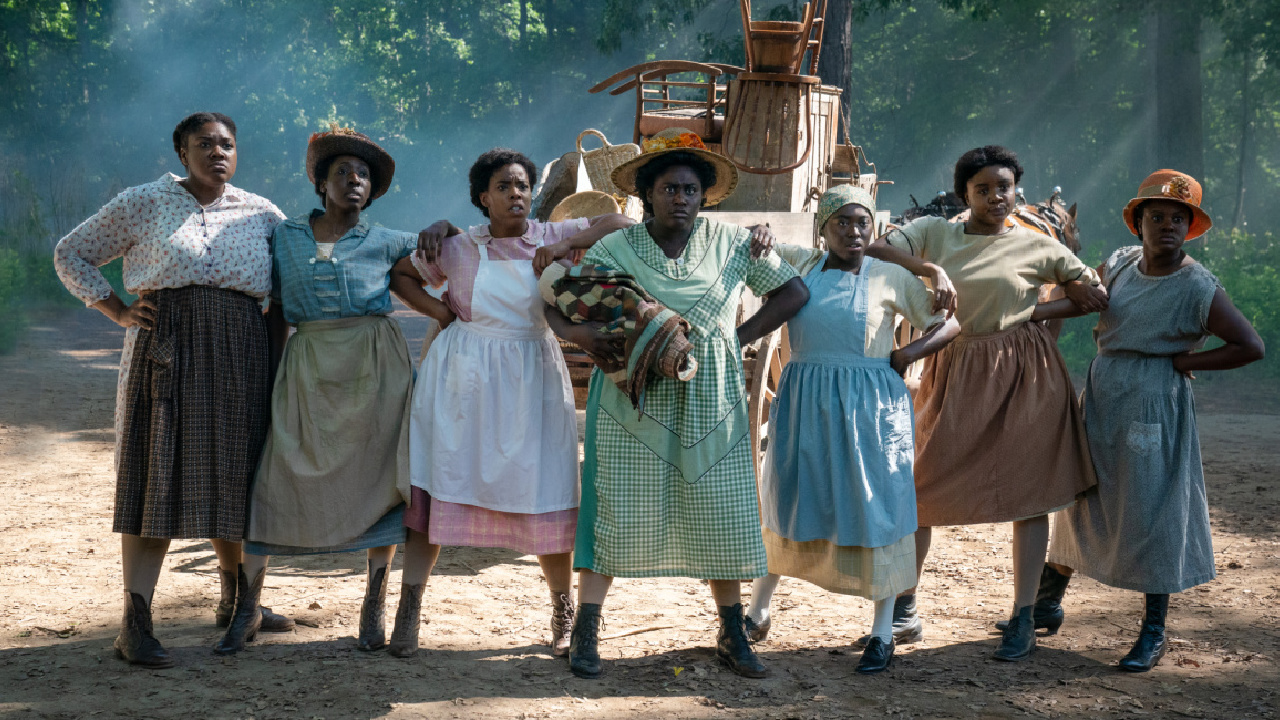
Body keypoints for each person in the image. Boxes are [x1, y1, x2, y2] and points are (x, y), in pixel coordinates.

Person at [544, 127, 810, 679]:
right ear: (647, 193)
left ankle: (732, 631)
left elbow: (793, 291)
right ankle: (587, 631)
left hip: (711, 395)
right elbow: (558, 291)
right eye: (668, 188)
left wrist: (737, 339)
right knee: (614, 506)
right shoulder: (616, 247)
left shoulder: (735, 243)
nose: (681, 199)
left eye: (691, 189)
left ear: (705, 194)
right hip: (630, 397)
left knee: (722, 508)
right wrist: (583, 337)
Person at [53, 112, 294, 668]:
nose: (217, 152)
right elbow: (71, 251)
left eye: (227, 145)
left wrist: (280, 362)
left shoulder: (261, 213)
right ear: (181, 152)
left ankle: (240, 601)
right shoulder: (143, 202)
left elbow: (289, 286)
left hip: (243, 357)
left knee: (242, 474)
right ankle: (135, 624)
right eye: (204, 144)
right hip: (165, 352)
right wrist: (114, 309)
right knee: (154, 480)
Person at [383, 148, 632, 658]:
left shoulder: (552, 238)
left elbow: (622, 222)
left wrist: (573, 241)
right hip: (462, 377)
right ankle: (409, 613)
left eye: (522, 185)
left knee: (546, 489)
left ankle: (562, 611)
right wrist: (442, 312)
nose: (515, 194)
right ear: (483, 198)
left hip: (531, 376)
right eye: (503, 186)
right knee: (437, 484)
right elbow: (401, 276)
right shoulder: (456, 246)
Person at [216, 126, 454, 654]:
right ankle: (247, 607)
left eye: (364, 175)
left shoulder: (389, 240)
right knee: (275, 477)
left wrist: (443, 223)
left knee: (385, 479)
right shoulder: (284, 236)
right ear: (321, 183)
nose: (354, 181)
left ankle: (374, 605)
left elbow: (454, 254)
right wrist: (273, 376)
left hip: (376, 367)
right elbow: (276, 310)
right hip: (307, 364)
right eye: (343, 172)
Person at [867, 145, 1109, 661]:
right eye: (983, 189)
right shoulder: (936, 233)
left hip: (1024, 375)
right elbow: (877, 249)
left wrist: (1037, 316)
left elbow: (1093, 292)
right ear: (965, 195)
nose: (996, 197)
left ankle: (1023, 616)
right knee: (921, 489)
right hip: (953, 369)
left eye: (1005, 187)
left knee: (1029, 494)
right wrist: (931, 270)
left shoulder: (1037, 245)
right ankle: (905, 606)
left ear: (1017, 189)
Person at [1030, 170, 1263, 671]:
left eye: (1178, 218)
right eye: (1156, 216)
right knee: (1082, 495)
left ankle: (1153, 630)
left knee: (1152, 510)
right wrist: (1031, 312)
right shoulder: (1120, 263)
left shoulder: (1197, 285)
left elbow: (1250, 346)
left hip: (1155, 400)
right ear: (1139, 223)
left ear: (1190, 226)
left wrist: (1185, 362)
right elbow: (1083, 300)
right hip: (1105, 391)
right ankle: (1046, 602)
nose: (1167, 226)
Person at [743, 185, 960, 674]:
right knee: (792, 495)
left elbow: (947, 324)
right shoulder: (800, 262)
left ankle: (883, 631)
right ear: (823, 227)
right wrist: (760, 230)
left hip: (869, 405)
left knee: (875, 502)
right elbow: (751, 249)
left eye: (862, 223)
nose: (854, 232)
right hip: (805, 400)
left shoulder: (891, 276)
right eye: (842, 222)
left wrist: (906, 354)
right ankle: (757, 612)